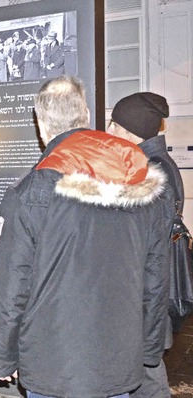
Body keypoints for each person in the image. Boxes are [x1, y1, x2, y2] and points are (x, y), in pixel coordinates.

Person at [0, 76, 173, 398]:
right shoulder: (144, 185)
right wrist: (149, 351)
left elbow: (10, 285)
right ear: (85, 114)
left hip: (52, 363)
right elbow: (156, 280)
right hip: (119, 359)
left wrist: (2, 359)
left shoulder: (32, 192)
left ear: (41, 125)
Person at [108, 92, 178, 398]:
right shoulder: (156, 163)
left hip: (141, 298)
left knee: (147, 382)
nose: (108, 130)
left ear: (129, 132)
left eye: (114, 125)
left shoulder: (148, 173)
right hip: (144, 296)